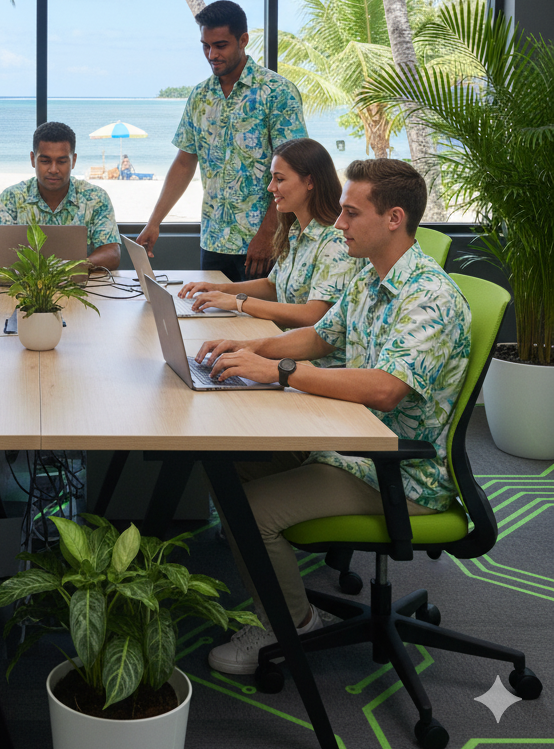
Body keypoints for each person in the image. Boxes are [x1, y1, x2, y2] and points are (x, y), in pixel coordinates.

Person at [195, 158, 470, 675]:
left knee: (250, 509)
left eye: (350, 212)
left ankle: (292, 627)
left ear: (393, 218)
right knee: (227, 463)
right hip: (348, 439)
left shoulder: (429, 297)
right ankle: (283, 602)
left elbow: (386, 389)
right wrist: (248, 346)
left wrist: (277, 369)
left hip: (397, 470)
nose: (338, 223)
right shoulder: (371, 277)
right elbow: (322, 336)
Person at [137, 0, 307, 281]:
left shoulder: (278, 92)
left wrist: (267, 234)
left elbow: (295, 172)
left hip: (264, 245)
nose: (211, 54)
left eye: (220, 45)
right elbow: (183, 162)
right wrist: (155, 222)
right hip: (213, 242)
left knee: (260, 326)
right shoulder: (200, 96)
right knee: (212, 322)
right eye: (205, 45)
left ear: (243, 40)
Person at [176, 138, 363, 363]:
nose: (270, 187)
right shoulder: (295, 230)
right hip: (284, 348)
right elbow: (272, 286)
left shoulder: (335, 242)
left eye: (279, 179)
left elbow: (315, 315)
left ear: (310, 181)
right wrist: (220, 289)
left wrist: (239, 303)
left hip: (316, 366)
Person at [0, 121, 121, 271]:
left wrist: (67, 269)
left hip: (82, 289)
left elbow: (112, 253)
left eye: (61, 161)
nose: (53, 169)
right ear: (32, 159)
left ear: (73, 161)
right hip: (23, 288)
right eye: (45, 161)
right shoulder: (11, 198)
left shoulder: (95, 198)